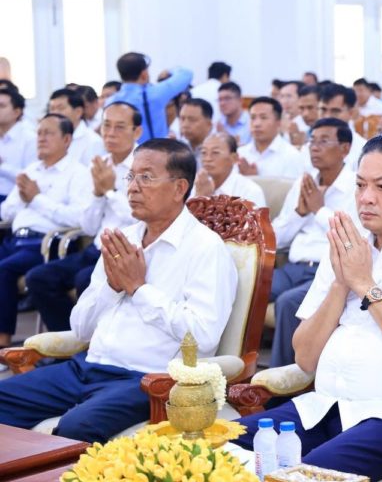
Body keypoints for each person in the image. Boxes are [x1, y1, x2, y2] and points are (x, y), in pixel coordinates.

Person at [233, 134, 382, 481]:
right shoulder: (349, 246)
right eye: (360, 185)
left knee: (300, 477)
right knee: (210, 452)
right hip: (322, 408)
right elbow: (305, 357)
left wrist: (365, 285)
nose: (365, 198)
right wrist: (341, 283)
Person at [0, 139, 237, 442]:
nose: (133, 188)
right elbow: (81, 329)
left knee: (75, 427)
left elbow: (203, 336)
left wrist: (139, 289)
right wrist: (112, 288)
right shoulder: (123, 239)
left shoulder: (205, 248)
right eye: (131, 176)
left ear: (179, 188)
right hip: (85, 368)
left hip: (147, 380)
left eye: (146, 177)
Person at [24, 102, 141, 332]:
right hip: (96, 249)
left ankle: (97, 342)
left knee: (84, 280)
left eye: (119, 127)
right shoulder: (99, 165)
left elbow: (140, 217)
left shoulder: (144, 166)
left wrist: (110, 192)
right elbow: (88, 226)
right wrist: (98, 194)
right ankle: (69, 341)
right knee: (38, 278)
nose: (110, 133)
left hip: (126, 253)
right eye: (106, 126)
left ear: (136, 132)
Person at [268, 118, 362, 367]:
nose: (315, 147)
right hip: (292, 268)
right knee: (252, 288)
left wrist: (319, 210)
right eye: (312, 141)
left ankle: (283, 378)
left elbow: (351, 239)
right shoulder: (304, 183)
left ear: (345, 148)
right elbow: (276, 239)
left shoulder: (358, 187)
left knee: (288, 302)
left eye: (324, 141)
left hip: (327, 272)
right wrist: (300, 213)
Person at [0, 114, 91, 348]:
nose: (41, 138)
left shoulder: (78, 173)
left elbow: (79, 219)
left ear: (67, 139)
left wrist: (37, 199)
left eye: (49, 133)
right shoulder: (32, 170)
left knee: (4, 269)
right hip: (15, 239)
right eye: (39, 133)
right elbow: (6, 212)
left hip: (45, 244)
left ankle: (3, 341)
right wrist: (24, 199)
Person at [106, 52, 193, 143]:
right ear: (144, 74)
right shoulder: (154, 94)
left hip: (123, 150)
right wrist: (169, 71)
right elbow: (186, 74)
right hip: (155, 149)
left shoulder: (110, 101)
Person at [192, 132, 266, 207]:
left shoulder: (250, 191)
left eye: (215, 153)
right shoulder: (197, 186)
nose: (207, 159)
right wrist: (199, 196)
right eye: (203, 153)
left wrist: (204, 200)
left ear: (234, 158)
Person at [237, 97, 304, 179]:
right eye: (253, 118)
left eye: (263, 118)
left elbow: (290, 187)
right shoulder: (240, 154)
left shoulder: (291, 156)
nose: (256, 124)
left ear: (278, 122)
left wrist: (253, 178)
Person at [48, 88, 106, 166]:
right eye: (52, 109)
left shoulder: (93, 142)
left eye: (60, 108)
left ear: (78, 112)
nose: (54, 113)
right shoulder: (49, 138)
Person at [316, 83, 367, 168]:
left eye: (335, 111)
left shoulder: (363, 150)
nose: (327, 116)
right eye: (323, 110)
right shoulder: (308, 147)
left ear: (351, 113)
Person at [0, 89, 36, 202]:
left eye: (2, 106)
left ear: (17, 112)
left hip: (15, 199)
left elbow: (30, 177)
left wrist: (2, 166)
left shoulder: (30, 139)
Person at [178, 98, 214, 163]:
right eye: (182, 119)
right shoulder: (177, 149)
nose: (185, 125)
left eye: (192, 120)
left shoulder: (219, 150)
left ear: (209, 124)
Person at [216, 82, 251, 146]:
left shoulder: (251, 122)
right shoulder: (218, 124)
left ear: (240, 100)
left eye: (227, 99)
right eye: (220, 100)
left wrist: (230, 141)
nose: (222, 103)